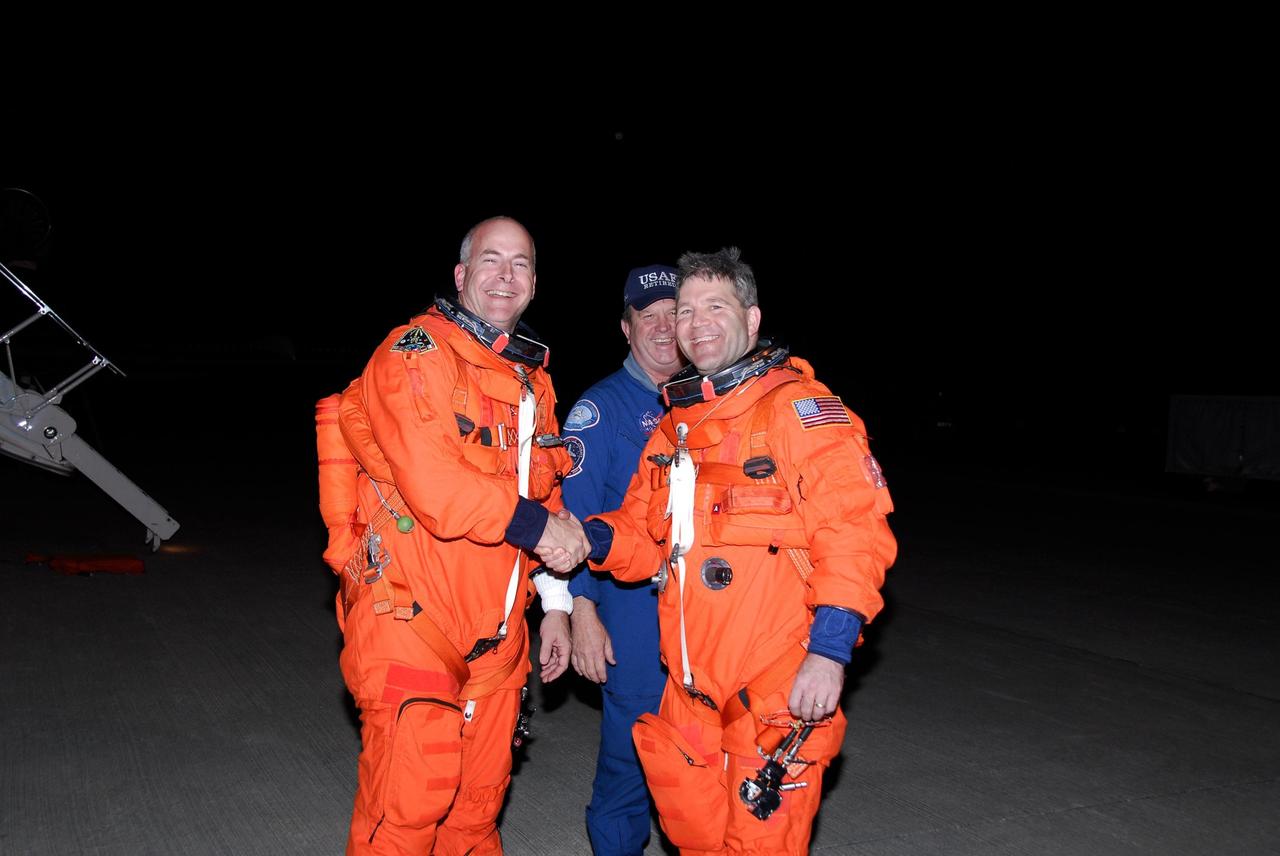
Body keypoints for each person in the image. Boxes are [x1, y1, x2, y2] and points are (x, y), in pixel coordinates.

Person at [581, 247, 896, 854]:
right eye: (686, 309)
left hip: (774, 697)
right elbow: (645, 539)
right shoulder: (674, 429)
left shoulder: (797, 412)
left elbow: (854, 533)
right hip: (692, 700)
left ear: (751, 320)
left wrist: (829, 653)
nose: (695, 322)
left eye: (715, 307)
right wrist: (584, 538)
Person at [323, 216, 590, 855]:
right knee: (409, 811)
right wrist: (542, 527)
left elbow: (545, 493)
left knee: (475, 814)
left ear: (534, 282)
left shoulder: (532, 380)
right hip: (411, 618)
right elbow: (437, 488)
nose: (506, 275)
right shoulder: (415, 354)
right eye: (491, 261)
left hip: (497, 640)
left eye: (521, 263)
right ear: (461, 275)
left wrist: (555, 608)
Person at [562, 264, 684, 855]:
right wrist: (581, 610)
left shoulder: (707, 404)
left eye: (673, 314)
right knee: (630, 764)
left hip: (702, 619)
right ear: (626, 327)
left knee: (699, 772)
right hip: (631, 617)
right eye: (647, 316)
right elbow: (572, 525)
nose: (663, 328)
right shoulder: (600, 409)